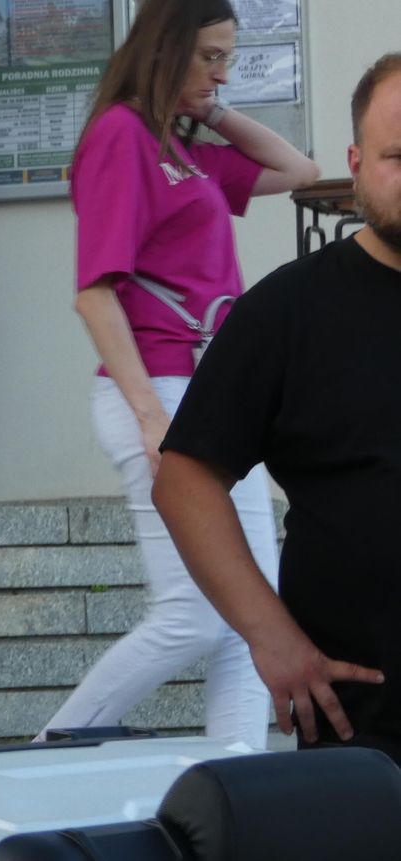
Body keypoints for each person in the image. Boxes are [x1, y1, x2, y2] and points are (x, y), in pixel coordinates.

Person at [37, 0, 319, 748]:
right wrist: (151, 417)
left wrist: (210, 107)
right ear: (164, 50)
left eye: (228, 58)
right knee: (195, 614)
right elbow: (94, 293)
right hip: (161, 392)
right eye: (209, 57)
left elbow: (298, 169)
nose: (222, 73)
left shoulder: (178, 145)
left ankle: (237, 778)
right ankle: (44, 754)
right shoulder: (120, 135)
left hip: (204, 394)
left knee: (250, 612)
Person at [154, 53, 401, 763]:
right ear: (355, 164)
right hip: (367, 737)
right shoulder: (289, 311)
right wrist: (269, 634)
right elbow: (185, 479)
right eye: (398, 156)